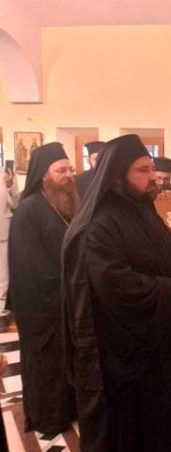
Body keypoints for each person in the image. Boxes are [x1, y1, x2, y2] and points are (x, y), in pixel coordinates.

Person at [62, 134, 171, 451]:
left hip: (162, 357)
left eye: (151, 168)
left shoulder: (145, 211)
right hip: (125, 366)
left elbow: (170, 260)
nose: (153, 177)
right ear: (116, 177)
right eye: (142, 170)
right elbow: (113, 285)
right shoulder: (97, 225)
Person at [8, 142, 77, 435]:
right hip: (41, 306)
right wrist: (67, 291)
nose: (68, 175)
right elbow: (30, 267)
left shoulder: (67, 203)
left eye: (70, 169)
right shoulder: (28, 210)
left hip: (67, 300)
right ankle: (47, 417)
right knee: (46, 365)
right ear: (43, 176)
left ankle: (70, 409)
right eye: (61, 170)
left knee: (67, 362)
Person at [0, 165, 18, 316]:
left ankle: (1, 306)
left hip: (3, 230)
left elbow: (15, 204)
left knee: (3, 271)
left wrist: (9, 185)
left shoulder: (6, 175)